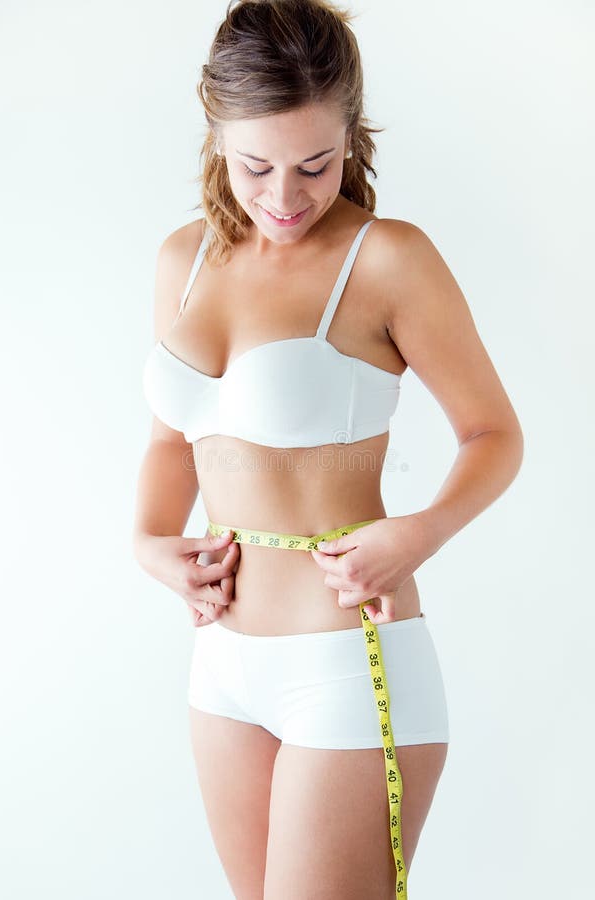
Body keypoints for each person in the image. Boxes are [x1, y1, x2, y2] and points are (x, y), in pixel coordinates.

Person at [133, 1, 524, 897]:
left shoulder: (385, 258)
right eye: (254, 165)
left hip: (349, 662)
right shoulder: (181, 262)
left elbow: (495, 435)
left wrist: (415, 535)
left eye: (315, 163)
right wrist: (150, 543)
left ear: (352, 133)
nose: (283, 196)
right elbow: (169, 440)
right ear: (216, 134)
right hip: (223, 670)